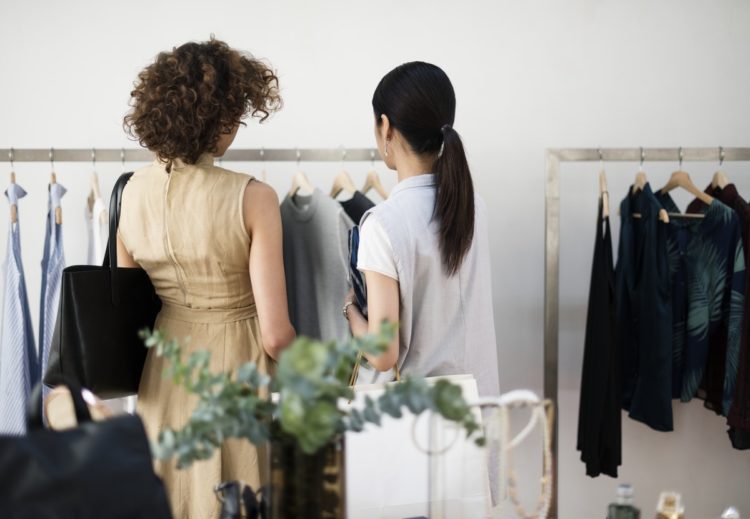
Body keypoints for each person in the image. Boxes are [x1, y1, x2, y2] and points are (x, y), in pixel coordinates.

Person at [119, 38, 295, 518]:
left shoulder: (130, 193)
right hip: (234, 370)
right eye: (235, 113)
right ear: (216, 117)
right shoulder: (253, 197)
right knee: (237, 499)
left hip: (163, 372)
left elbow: (129, 302)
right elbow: (277, 335)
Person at [345, 61, 500, 398]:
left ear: (386, 127)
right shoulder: (475, 208)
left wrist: (349, 312)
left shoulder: (382, 224)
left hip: (418, 429)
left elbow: (383, 355)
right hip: (479, 414)